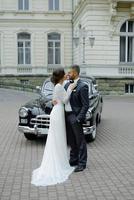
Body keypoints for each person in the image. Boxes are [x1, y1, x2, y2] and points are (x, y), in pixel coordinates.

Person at [31, 68, 76, 187]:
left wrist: (53, 101)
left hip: (57, 112)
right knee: (58, 139)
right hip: (57, 114)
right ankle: (59, 163)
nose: (66, 74)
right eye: (64, 73)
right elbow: (65, 100)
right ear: (61, 76)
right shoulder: (59, 87)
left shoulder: (58, 85)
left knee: (57, 138)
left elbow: (54, 99)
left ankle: (60, 160)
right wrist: (71, 90)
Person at [64, 64, 89, 172]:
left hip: (75, 116)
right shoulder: (66, 85)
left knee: (80, 141)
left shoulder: (83, 86)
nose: (68, 74)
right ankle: (73, 159)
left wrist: (79, 118)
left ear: (75, 73)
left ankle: (82, 163)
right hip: (67, 116)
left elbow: (85, 105)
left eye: (70, 72)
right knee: (71, 140)